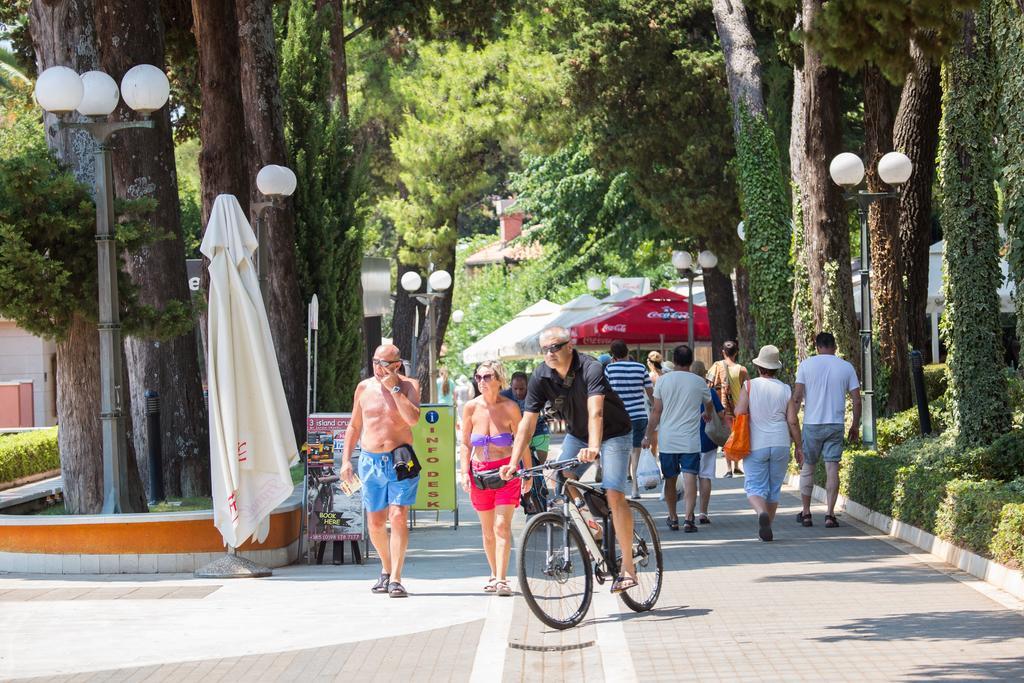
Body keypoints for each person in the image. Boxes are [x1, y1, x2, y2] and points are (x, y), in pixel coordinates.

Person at [501, 326, 639, 593]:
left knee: (613, 493)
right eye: (544, 349)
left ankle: (628, 569)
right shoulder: (540, 376)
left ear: (569, 346)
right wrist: (513, 462)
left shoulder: (591, 368)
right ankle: (590, 524)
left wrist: (594, 447)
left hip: (613, 434)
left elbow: (596, 412)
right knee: (561, 477)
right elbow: (526, 425)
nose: (549, 353)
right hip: (577, 435)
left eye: (554, 347)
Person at [340, 344, 421, 598]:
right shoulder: (364, 387)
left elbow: (413, 419)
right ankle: (386, 569)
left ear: (397, 365)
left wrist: (394, 388)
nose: (378, 368)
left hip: (400, 459)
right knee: (375, 523)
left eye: (384, 363)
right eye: (375, 362)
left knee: (397, 515)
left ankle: (396, 578)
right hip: (370, 461)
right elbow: (354, 426)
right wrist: (346, 461)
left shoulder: (409, 386)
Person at [459, 361, 523, 597]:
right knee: (487, 531)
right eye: (478, 377)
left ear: (499, 379)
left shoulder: (510, 407)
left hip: (506, 472)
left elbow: (521, 440)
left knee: (501, 526)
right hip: (479, 474)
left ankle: (503, 579)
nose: (482, 382)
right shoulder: (470, 407)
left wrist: (525, 471)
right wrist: (463, 472)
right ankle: (494, 574)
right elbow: (465, 443)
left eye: (487, 377)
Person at [788, 332, 860, 528]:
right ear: (834, 346)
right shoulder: (846, 367)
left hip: (812, 423)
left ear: (817, 346)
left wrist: (792, 421)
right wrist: (854, 425)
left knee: (808, 467)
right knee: (832, 469)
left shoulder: (806, 365)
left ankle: (806, 513)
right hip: (835, 424)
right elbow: (856, 399)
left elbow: (797, 396)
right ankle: (829, 514)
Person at [734, 346, 803, 541]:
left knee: (754, 487)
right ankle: (767, 527)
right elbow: (792, 420)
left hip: (757, 443)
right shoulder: (785, 388)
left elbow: (739, 412)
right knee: (774, 488)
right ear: (776, 368)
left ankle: (761, 514)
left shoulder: (749, 386)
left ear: (758, 366)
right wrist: (799, 446)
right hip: (781, 442)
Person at [643, 345, 713, 532]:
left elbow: (656, 411)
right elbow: (709, 404)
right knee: (690, 478)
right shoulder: (699, 382)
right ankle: (689, 518)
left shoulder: (663, 381)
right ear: (691, 361)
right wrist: (707, 414)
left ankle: (673, 517)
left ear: (674, 361)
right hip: (690, 439)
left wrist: (648, 436)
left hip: (668, 440)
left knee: (670, 480)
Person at [604, 340, 654, 500]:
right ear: (627, 351)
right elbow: (651, 395)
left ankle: (618, 490)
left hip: (618, 417)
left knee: (618, 453)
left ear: (613, 355)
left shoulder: (609, 369)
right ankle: (635, 488)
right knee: (635, 452)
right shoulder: (640, 368)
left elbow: (604, 393)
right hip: (639, 415)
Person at [689, 360, 725, 524]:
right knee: (705, 476)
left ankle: (688, 513)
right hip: (708, 439)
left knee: (690, 476)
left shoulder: (687, 392)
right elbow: (722, 414)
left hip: (689, 439)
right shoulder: (710, 392)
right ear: (704, 374)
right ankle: (703, 512)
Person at [708, 340, 750, 478]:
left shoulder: (717, 366)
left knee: (728, 438)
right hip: (739, 408)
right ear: (737, 352)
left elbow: (708, 384)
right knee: (737, 437)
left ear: (723, 352)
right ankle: (737, 466)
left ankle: (728, 469)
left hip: (723, 408)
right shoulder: (742, 370)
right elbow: (749, 388)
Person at [646, 351, 666, 457]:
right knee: (663, 442)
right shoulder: (665, 376)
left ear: (650, 363)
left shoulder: (649, 377)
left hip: (652, 410)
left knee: (652, 445)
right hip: (666, 409)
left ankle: (653, 465)